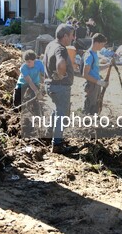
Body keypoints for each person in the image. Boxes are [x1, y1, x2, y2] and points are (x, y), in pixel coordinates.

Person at [43, 23, 75, 153]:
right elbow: (61, 64)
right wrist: (62, 74)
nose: (73, 38)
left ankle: (48, 134)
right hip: (60, 87)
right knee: (62, 115)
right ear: (65, 36)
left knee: (57, 111)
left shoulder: (51, 44)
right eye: (71, 36)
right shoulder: (60, 48)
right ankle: (57, 144)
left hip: (50, 85)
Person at [82, 33, 109, 115]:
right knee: (90, 107)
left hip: (96, 84)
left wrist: (107, 65)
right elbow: (85, 74)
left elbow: (96, 68)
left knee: (96, 106)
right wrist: (98, 82)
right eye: (102, 44)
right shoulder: (89, 56)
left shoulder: (95, 54)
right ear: (97, 43)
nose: (102, 47)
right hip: (91, 85)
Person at [13, 50, 44, 115]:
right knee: (17, 100)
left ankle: (37, 115)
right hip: (23, 83)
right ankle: (16, 115)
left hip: (35, 82)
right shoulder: (23, 68)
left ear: (34, 60)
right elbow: (29, 81)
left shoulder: (39, 63)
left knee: (33, 99)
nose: (28, 64)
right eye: (26, 62)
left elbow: (45, 74)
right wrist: (37, 92)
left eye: (29, 62)